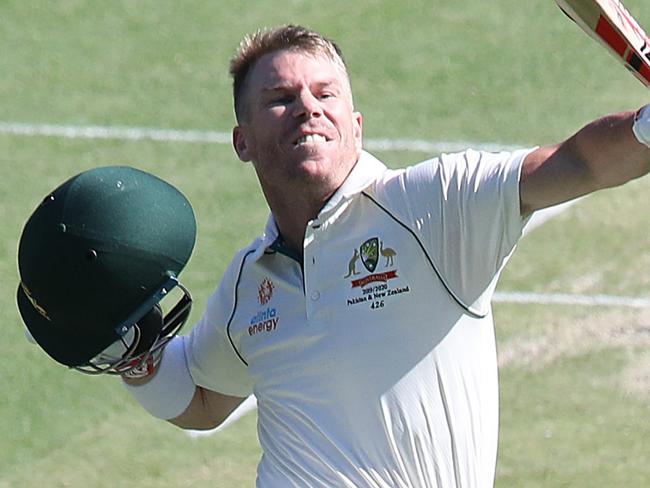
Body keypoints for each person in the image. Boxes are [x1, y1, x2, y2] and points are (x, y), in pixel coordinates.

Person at [122, 25, 650, 487]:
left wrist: (646, 127)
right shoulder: (248, 280)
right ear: (243, 142)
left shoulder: (436, 206)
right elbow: (204, 400)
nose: (308, 106)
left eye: (325, 93)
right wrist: (132, 353)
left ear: (356, 125)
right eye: (280, 97)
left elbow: (578, 163)